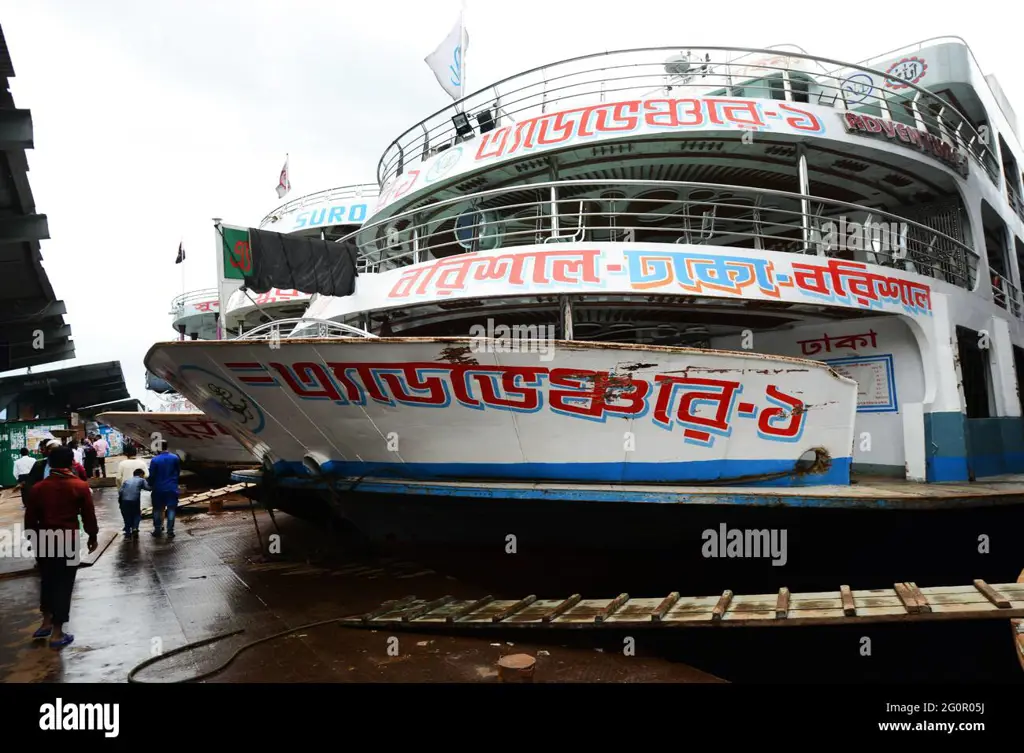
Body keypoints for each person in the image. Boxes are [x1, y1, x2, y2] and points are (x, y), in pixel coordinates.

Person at [24, 446, 98, 649]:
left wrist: (32, 538)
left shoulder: (38, 488)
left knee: (47, 580)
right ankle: (57, 634)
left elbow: (30, 518)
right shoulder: (79, 486)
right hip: (69, 539)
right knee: (64, 583)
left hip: (44, 539)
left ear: (49, 463)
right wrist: (92, 535)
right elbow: (88, 515)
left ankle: (45, 623)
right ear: (72, 464)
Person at [148, 441, 181, 538]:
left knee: (157, 509)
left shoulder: (155, 460)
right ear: (167, 447)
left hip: (158, 488)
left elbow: (152, 475)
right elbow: (178, 471)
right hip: (171, 487)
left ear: (158, 448)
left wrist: (150, 485)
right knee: (171, 509)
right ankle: (170, 531)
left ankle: (157, 530)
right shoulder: (175, 458)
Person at [118, 468, 150, 537]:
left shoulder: (127, 480)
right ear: (141, 474)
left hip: (124, 500)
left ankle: (127, 533)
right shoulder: (141, 480)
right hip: (135, 500)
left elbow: (120, 491)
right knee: (136, 514)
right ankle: (135, 528)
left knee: (127, 515)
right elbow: (148, 488)